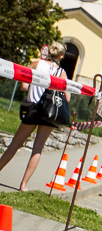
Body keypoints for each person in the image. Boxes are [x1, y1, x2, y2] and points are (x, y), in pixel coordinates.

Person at [0, 42, 70, 191]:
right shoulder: (62, 72)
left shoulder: (36, 64)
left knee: (15, 144)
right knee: (37, 148)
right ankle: (23, 185)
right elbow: (67, 98)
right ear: (61, 56)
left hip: (32, 109)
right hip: (49, 112)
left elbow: (24, 86)